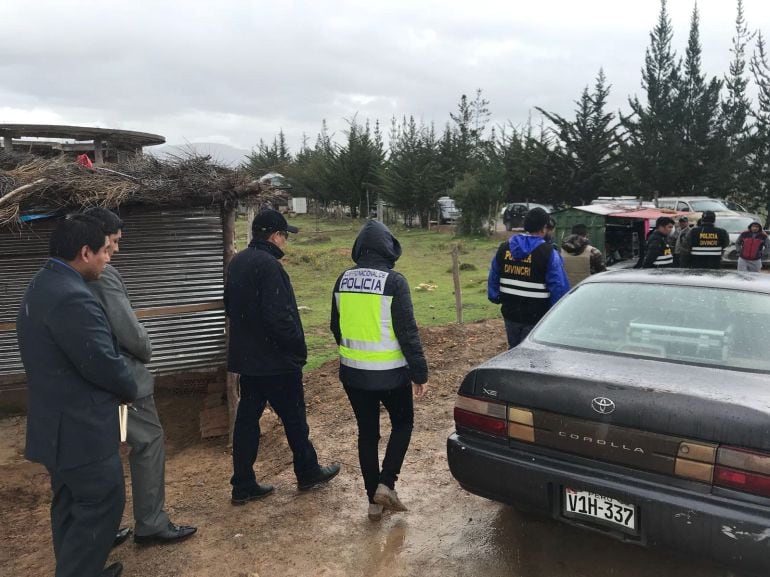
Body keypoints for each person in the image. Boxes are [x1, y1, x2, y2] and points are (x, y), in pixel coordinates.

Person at [17, 214, 138, 577]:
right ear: (85, 252)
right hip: (80, 430)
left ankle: (80, 568)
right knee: (102, 500)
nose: (109, 258)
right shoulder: (73, 299)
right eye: (104, 250)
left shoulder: (42, 285)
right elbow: (101, 362)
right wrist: (130, 387)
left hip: (54, 426)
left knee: (69, 503)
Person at [84, 208, 197, 546]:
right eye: (114, 242)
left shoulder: (67, 274)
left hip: (90, 381)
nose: (115, 250)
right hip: (123, 378)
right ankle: (150, 522)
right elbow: (128, 330)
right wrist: (146, 348)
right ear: (98, 241)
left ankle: (102, 528)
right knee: (147, 443)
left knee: (99, 452)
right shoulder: (102, 275)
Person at [225, 209, 340, 505]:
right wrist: (297, 349)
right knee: (294, 419)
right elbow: (279, 318)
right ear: (275, 236)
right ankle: (308, 471)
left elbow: (230, 306)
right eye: (284, 236)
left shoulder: (237, 262)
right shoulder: (270, 266)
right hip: (276, 363)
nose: (285, 242)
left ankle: (243, 484)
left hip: (248, 361)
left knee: (247, 421)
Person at [330, 220, 429, 522]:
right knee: (403, 424)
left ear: (359, 249)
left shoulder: (342, 280)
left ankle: (373, 501)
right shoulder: (394, 282)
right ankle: (387, 483)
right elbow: (408, 332)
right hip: (391, 375)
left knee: (367, 434)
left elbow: (336, 327)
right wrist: (420, 373)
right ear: (389, 248)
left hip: (353, 374)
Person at [488, 207, 571, 348]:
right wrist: (559, 313)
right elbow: (559, 286)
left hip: (510, 313)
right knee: (533, 355)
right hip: (537, 316)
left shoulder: (504, 248)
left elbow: (494, 276)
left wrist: (496, 297)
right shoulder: (549, 253)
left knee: (514, 350)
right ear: (544, 228)